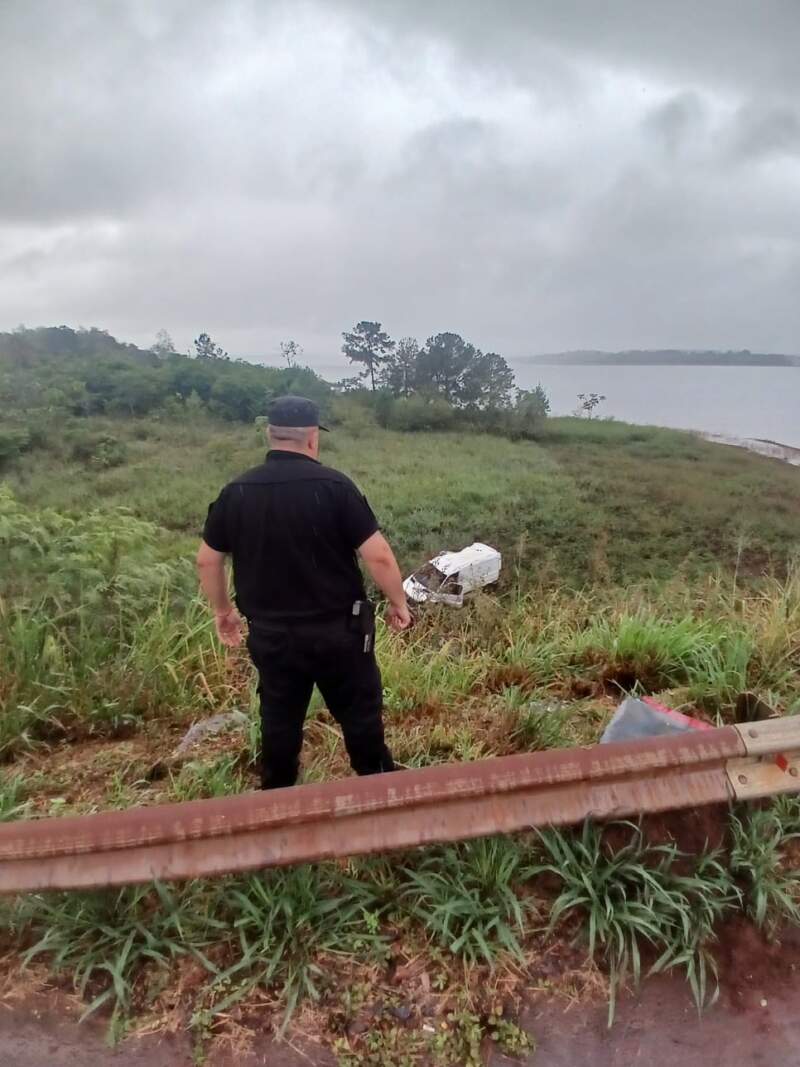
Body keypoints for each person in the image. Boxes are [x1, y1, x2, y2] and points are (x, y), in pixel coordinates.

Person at [196, 395, 412, 789]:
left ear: (270, 435)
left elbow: (208, 561)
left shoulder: (237, 492)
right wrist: (398, 603)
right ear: (312, 438)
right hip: (340, 633)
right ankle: (378, 787)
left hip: (273, 634)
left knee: (279, 717)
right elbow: (378, 556)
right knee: (360, 713)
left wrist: (223, 611)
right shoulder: (335, 487)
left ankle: (277, 798)